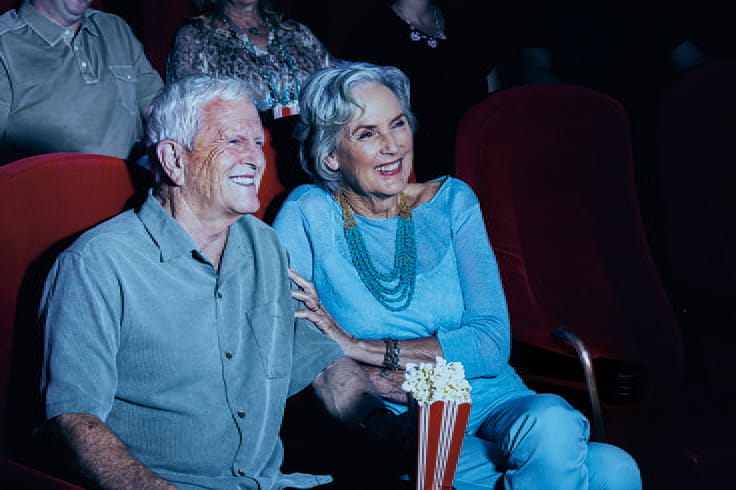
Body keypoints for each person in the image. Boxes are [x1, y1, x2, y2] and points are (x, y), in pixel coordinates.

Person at [272, 62, 642, 489]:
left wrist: (361, 346)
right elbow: (300, 339)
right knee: (614, 470)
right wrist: (372, 390)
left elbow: (490, 343)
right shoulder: (307, 212)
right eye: (367, 133)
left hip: (495, 399)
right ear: (331, 155)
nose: (392, 146)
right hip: (406, 418)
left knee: (552, 420)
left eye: (398, 124)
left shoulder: (452, 203)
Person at [38, 74, 401, 490]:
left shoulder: (265, 244)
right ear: (174, 159)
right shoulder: (97, 264)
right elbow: (74, 419)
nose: (256, 159)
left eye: (258, 144)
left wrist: (382, 424)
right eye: (233, 142)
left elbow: (317, 364)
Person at [167, 0, 336, 195]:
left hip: (313, 160)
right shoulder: (195, 37)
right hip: (243, 168)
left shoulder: (298, 33)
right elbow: (188, 113)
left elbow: (337, 82)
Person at [328, 0, 503, 182]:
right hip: (409, 173)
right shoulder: (370, 32)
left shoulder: (469, 23)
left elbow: (494, 106)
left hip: (477, 164)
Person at [0, 0, 163, 165]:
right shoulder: (5, 43)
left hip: (134, 182)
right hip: (48, 186)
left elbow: (158, 108)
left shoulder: (114, 27)